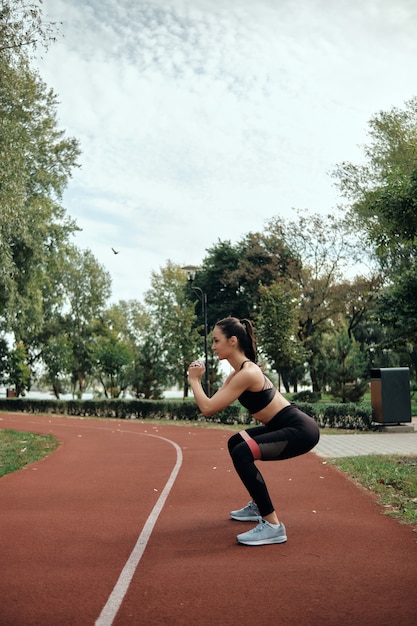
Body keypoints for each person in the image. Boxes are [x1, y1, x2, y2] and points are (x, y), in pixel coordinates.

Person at [188, 316, 320, 546]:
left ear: (232, 341)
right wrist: (198, 382)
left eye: (216, 341)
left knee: (242, 453)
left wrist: (194, 380)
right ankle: (258, 506)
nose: (213, 346)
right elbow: (214, 401)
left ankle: (273, 525)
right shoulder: (238, 372)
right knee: (235, 442)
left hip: (300, 430)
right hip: (284, 426)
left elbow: (207, 408)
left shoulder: (248, 373)